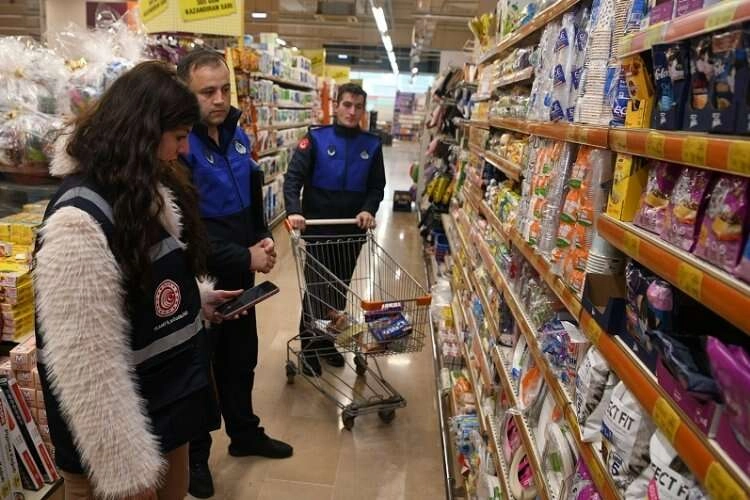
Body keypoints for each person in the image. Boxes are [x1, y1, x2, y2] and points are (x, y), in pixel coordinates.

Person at [33, 61, 244, 500]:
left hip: (164, 403)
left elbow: (137, 280)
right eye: (178, 136)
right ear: (142, 133)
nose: (183, 150)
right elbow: (84, 362)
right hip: (114, 444)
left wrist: (193, 301)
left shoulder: (141, 189)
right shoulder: (78, 220)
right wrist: (126, 470)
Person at [177, 49, 293, 499]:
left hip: (241, 271)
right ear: (185, 93)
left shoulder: (237, 136)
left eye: (225, 88)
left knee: (241, 358)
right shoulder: (181, 148)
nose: (220, 99)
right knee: (200, 368)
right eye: (207, 91)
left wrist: (263, 238)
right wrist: (244, 257)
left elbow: (252, 195)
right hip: (202, 279)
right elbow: (187, 232)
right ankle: (196, 458)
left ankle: (244, 434)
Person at [284, 82, 386, 377]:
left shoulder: (372, 144)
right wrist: (294, 211)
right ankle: (308, 348)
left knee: (339, 291)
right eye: (347, 105)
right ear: (337, 105)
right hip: (318, 231)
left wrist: (368, 209)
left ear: (363, 111)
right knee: (316, 291)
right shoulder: (316, 138)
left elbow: (377, 186)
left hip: (351, 232)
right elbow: (293, 178)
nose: (352, 112)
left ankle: (326, 343)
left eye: (358, 107)